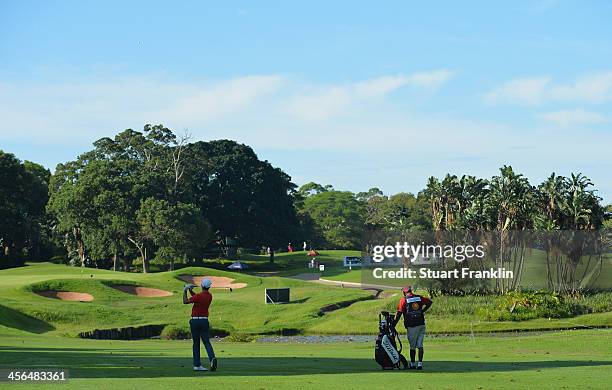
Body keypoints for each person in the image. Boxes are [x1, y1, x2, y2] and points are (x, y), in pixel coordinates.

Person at [393, 286, 432, 370]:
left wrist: (393, 325)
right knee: (420, 345)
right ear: (411, 291)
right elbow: (429, 302)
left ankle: (413, 364)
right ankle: (420, 364)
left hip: (412, 326)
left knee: (412, 346)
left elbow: (399, 313)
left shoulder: (403, 300)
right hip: (421, 324)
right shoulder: (419, 298)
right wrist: (423, 311)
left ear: (404, 292)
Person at [183, 279, 217, 371]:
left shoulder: (199, 296)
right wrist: (190, 290)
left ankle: (197, 365)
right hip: (204, 321)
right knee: (206, 342)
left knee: (196, 344)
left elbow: (185, 301)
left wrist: (185, 290)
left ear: (201, 285)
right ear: (209, 287)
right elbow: (196, 297)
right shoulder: (209, 296)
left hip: (195, 321)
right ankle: (212, 358)